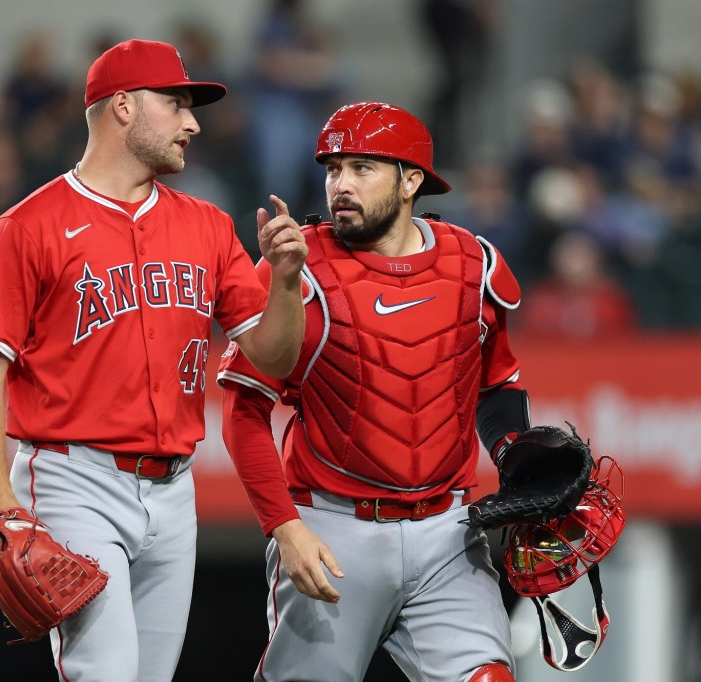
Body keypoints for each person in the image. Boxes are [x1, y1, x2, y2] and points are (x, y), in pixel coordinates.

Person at [0, 39, 307, 682]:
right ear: (123, 107)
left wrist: (285, 282)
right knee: (107, 672)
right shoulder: (29, 226)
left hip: (176, 491)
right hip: (74, 480)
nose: (193, 122)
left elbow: (274, 358)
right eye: (175, 105)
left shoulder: (206, 224)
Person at [218, 102, 526, 682]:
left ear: (411, 181)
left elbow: (498, 384)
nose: (341, 184)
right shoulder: (295, 266)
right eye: (334, 169)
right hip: (333, 531)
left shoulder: (473, 264)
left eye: (363, 168)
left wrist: (518, 456)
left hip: (448, 532)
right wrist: (285, 529)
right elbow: (243, 410)